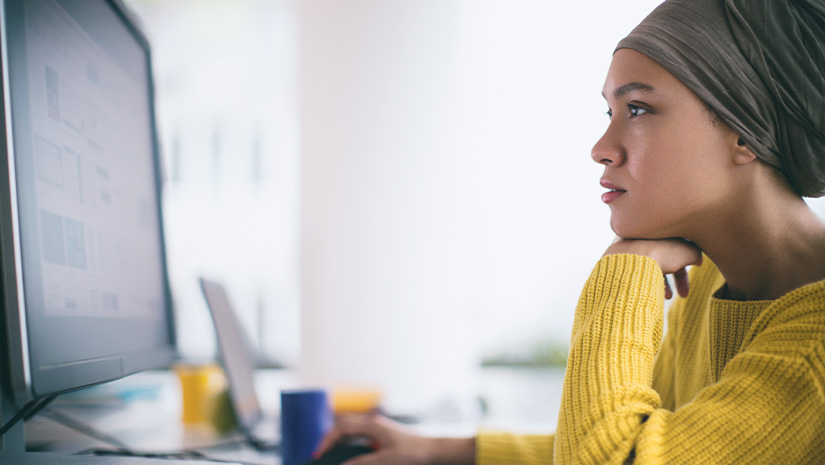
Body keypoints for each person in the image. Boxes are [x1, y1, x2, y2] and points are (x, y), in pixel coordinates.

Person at [315, 0, 825, 463]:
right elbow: (633, 440)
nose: (602, 146)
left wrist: (625, 274)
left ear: (746, 131)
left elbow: (612, 456)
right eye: (611, 112)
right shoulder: (711, 280)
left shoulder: (814, 348)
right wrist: (437, 452)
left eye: (639, 110)